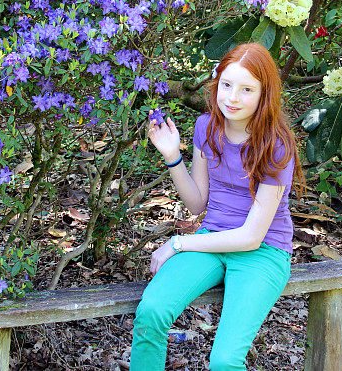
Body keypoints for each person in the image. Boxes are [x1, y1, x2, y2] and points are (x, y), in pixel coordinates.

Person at [130, 42, 304, 371]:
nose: (232, 98)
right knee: (151, 311)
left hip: (262, 251)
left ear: (265, 93)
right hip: (212, 238)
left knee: (225, 360)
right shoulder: (205, 127)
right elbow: (198, 203)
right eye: (226, 85)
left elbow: (251, 237)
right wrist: (171, 155)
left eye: (246, 89)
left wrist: (178, 243)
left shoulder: (277, 146)